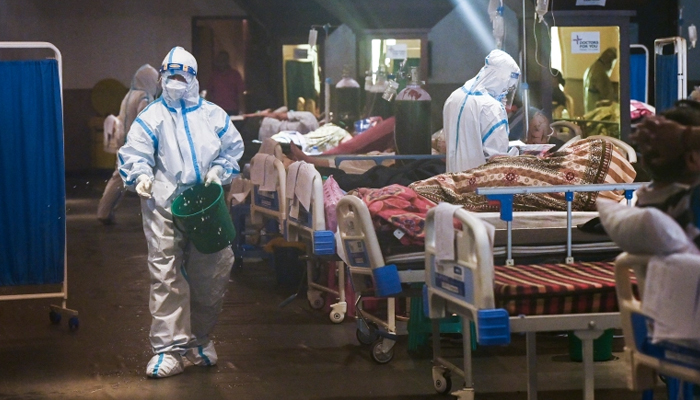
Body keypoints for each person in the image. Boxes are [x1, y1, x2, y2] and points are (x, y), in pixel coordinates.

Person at [118, 46, 244, 378]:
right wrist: (141, 176)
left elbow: (231, 150)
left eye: (180, 76)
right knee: (165, 275)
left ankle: (199, 341)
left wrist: (220, 171)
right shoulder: (152, 116)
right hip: (162, 202)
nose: (174, 82)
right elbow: (135, 151)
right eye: (169, 76)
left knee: (211, 272)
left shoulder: (213, 115)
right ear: (161, 78)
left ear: (192, 78)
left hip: (206, 202)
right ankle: (168, 350)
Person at [97, 64, 159, 225]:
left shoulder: (129, 95)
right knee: (150, 179)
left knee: (119, 179)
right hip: (137, 147)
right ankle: (156, 217)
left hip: (125, 145)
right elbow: (145, 121)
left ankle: (104, 212)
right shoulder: (144, 97)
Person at [443, 49, 521, 173]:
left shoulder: (453, 97)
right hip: (480, 185)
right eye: (507, 87)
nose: (505, 92)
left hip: (451, 182)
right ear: (502, 79)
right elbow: (498, 160)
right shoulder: (492, 107)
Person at [207, 51, 245, 115]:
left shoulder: (235, 75)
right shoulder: (214, 76)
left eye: (223, 60)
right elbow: (209, 93)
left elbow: (240, 93)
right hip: (217, 110)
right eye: (219, 60)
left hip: (232, 109)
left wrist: (242, 110)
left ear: (227, 61)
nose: (221, 63)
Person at [583, 47, 618, 113]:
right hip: (598, 112)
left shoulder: (591, 68)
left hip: (589, 110)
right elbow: (608, 97)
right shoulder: (601, 73)